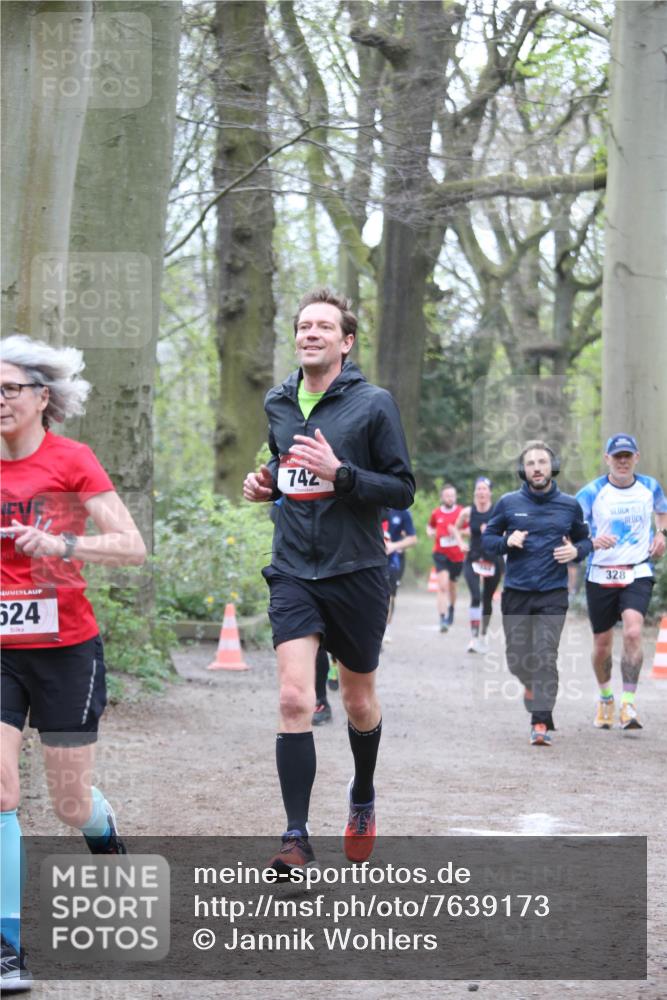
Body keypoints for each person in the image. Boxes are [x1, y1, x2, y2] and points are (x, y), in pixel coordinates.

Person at [243, 288, 414, 875]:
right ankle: (296, 837)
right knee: (295, 697)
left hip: (357, 571)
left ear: (346, 341)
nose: (310, 333)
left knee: (359, 699)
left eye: (323, 327)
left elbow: (401, 488)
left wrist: (342, 475)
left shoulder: (373, 405)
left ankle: (362, 792)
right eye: (302, 326)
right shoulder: (279, 401)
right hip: (293, 566)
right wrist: (267, 481)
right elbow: (282, 461)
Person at [0, 335, 146, 991]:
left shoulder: (72, 460)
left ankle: (107, 843)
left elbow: (130, 546)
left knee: (67, 801)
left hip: (65, 651)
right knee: (0, 791)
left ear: (42, 398)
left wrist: (60, 541)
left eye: (10, 389)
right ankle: (7, 946)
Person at [482, 440, 592, 746]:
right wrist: (506, 542)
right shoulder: (508, 503)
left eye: (542, 462)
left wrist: (575, 551)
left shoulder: (569, 505)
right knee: (517, 659)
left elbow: (585, 542)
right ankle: (533, 689)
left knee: (545, 656)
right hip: (516, 592)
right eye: (530, 463)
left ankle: (540, 721)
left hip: (552, 593)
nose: (537, 468)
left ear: (552, 467)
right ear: (523, 470)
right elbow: (488, 540)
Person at [576, 434, 667, 731]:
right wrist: (590, 540)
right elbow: (571, 529)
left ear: (637, 458)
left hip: (637, 571)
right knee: (602, 644)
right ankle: (606, 698)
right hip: (601, 573)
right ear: (608, 460)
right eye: (618, 457)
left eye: (628, 456)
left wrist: (661, 534)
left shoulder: (650, 487)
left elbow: (662, 512)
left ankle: (628, 702)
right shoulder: (591, 493)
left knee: (632, 631)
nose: (623, 461)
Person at [453, 477, 503, 653]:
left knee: (487, 599)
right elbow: (455, 527)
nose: (481, 492)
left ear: (490, 492)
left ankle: (483, 635)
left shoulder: (498, 512)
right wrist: (460, 542)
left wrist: (494, 534)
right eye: (478, 489)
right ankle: (473, 638)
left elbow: (506, 532)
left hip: (493, 559)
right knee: (475, 596)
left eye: (484, 489)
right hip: (473, 558)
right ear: (475, 492)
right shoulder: (468, 512)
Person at [427, 485, 465, 631]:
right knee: (442, 586)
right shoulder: (436, 513)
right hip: (440, 553)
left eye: (452, 495)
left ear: (455, 497)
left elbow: (469, 529)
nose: (450, 498)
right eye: (447, 495)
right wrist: (430, 532)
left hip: (457, 555)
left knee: (452, 587)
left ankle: (452, 608)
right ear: (442, 497)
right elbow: (430, 527)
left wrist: (458, 533)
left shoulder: (461, 512)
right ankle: (442, 619)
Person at [382, 508, 417, 643]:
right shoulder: (370, 503)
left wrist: (393, 546)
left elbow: (413, 539)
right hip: (370, 559)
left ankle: (386, 629)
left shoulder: (402, 510)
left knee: (390, 596)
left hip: (393, 560)